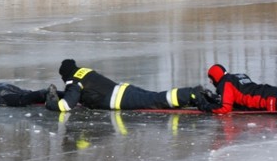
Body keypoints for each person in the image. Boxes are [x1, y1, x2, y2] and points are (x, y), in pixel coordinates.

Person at [45, 59, 203, 112]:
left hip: (119, 99)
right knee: (155, 97)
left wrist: (51, 104)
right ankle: (192, 99)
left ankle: (191, 94)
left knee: (156, 99)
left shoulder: (73, 80)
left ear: (65, 75)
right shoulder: (83, 71)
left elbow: (66, 105)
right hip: (124, 90)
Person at [196, 64, 277, 113]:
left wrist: (206, 107)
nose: (210, 82)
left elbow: (225, 108)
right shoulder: (239, 76)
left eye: (211, 78)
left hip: (268, 100)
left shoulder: (226, 83)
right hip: (269, 91)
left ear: (216, 77)